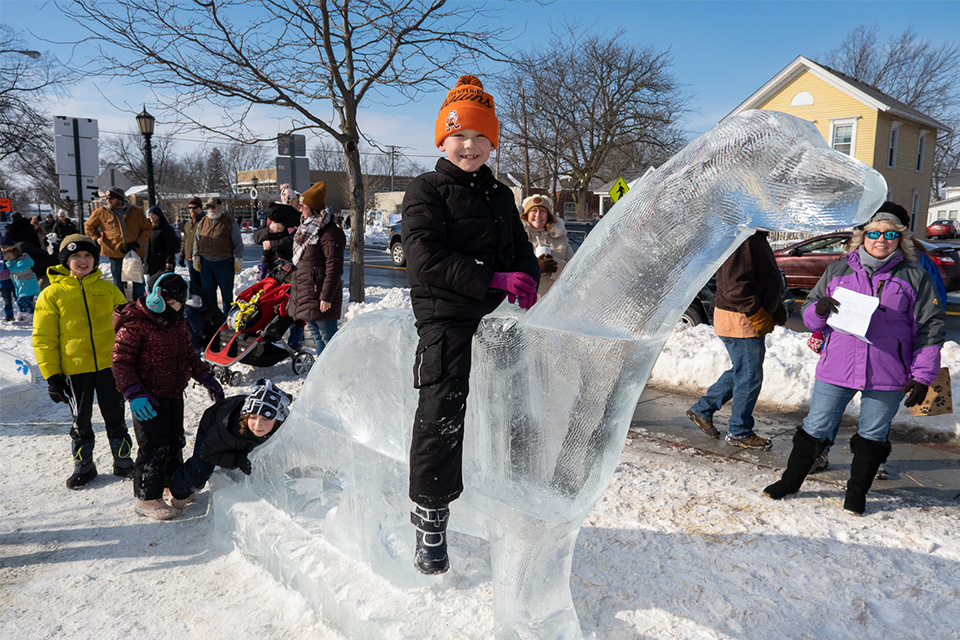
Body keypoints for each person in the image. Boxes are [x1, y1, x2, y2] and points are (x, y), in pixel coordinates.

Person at [401, 74, 540, 575]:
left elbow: (520, 249)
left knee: (523, 402)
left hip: (497, 315)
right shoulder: (426, 189)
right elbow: (423, 258)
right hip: (446, 315)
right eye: (460, 135)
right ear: (443, 138)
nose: (470, 145)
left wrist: (526, 275)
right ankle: (431, 517)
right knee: (442, 411)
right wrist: (492, 277)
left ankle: (520, 495)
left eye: (482, 137)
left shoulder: (501, 195)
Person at [763, 211, 945, 515]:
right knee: (816, 426)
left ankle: (857, 492)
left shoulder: (916, 277)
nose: (881, 240)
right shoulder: (837, 270)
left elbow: (931, 327)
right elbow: (809, 315)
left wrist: (923, 375)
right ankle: (790, 481)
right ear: (862, 237)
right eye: (874, 233)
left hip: (887, 370)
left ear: (899, 239)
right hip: (838, 365)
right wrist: (818, 310)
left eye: (889, 234)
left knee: (873, 434)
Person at [112, 272, 224, 520]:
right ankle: (146, 497)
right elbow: (121, 363)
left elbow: (188, 354)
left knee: (175, 441)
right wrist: (134, 392)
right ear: (156, 299)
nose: (177, 308)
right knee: (153, 446)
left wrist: (205, 376)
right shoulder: (135, 323)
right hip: (147, 398)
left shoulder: (178, 321)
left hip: (173, 392)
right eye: (172, 303)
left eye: (180, 303)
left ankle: (172, 485)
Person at [32, 234, 135, 489]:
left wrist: (132, 360)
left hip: (110, 367)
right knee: (81, 421)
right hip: (75, 369)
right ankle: (84, 465)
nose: (83, 261)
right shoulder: (52, 294)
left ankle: (123, 461)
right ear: (66, 260)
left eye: (88, 256)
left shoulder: (108, 290)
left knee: (116, 416)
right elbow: (44, 338)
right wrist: (52, 376)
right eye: (76, 256)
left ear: (95, 260)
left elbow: (129, 328)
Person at [686, 231, 786, 450]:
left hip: (743, 316)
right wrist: (758, 313)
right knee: (749, 376)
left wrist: (774, 305)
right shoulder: (744, 239)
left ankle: (703, 410)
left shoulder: (755, 236)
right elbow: (734, 288)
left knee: (744, 372)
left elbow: (758, 277)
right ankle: (740, 431)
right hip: (741, 318)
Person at [168, 378, 291, 510]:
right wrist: (236, 459)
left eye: (265, 419)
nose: (258, 424)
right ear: (246, 415)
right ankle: (178, 490)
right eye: (253, 417)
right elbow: (207, 453)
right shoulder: (229, 431)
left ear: (277, 420)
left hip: (242, 436)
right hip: (213, 425)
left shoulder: (280, 428)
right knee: (200, 470)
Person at [286, 181, 345, 356]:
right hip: (307, 293)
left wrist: (326, 297)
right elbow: (306, 261)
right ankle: (323, 377)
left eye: (303, 205)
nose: (300, 209)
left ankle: (333, 376)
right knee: (318, 337)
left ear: (311, 207)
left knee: (329, 340)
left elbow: (334, 267)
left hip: (320, 295)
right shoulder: (306, 229)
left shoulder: (329, 233)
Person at [84, 186, 152, 300]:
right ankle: (120, 305)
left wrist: (138, 243)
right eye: (107, 198)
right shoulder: (102, 212)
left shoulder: (135, 212)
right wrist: (97, 238)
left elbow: (147, 229)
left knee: (138, 280)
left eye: (111, 198)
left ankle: (139, 304)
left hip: (134, 252)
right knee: (117, 280)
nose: (108, 200)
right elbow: (88, 226)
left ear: (120, 200)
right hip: (114, 252)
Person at [192, 196, 243, 314]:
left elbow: (238, 243)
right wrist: (196, 256)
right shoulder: (203, 221)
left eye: (213, 206)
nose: (210, 209)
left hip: (224, 263)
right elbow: (197, 241)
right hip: (206, 263)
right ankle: (213, 319)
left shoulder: (230, 222)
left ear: (220, 207)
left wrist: (238, 258)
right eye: (208, 207)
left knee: (226, 294)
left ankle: (228, 317)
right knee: (208, 294)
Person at [519, 194, 573, 297]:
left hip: (557, 300)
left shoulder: (561, 239)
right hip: (527, 302)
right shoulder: (519, 239)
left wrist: (555, 265)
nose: (538, 215)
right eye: (534, 210)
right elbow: (511, 271)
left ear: (548, 215)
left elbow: (574, 270)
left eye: (543, 211)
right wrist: (536, 268)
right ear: (526, 214)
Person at [253, 198, 299, 279]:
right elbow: (257, 237)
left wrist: (271, 244)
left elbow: (296, 240)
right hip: (275, 267)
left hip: (287, 266)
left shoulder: (293, 217)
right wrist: (269, 229)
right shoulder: (273, 216)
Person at [1, 245, 40, 316]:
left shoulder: (23, 261)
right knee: (24, 302)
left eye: (9, 255)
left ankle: (29, 315)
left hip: (29, 288)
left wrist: (8, 270)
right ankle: (28, 316)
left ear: (15, 254)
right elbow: (7, 275)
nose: (7, 258)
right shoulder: (12, 264)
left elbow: (21, 269)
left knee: (23, 302)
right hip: (22, 289)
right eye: (6, 256)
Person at [145, 206, 179, 278]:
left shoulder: (166, 229)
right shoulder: (149, 229)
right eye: (150, 215)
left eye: (153, 215)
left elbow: (170, 246)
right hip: (152, 262)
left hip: (163, 262)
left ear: (159, 215)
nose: (151, 217)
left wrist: (169, 261)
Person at [179, 197, 204, 285]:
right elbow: (185, 241)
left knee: (204, 285)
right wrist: (182, 256)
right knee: (195, 284)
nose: (192, 210)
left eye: (194, 207)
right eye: (190, 208)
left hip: (202, 258)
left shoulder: (204, 222)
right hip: (190, 258)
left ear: (200, 208)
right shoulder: (187, 224)